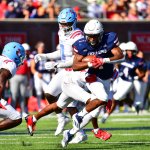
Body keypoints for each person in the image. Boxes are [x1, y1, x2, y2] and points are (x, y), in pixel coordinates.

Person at [26, 8, 88, 143]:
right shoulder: (61, 32)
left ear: (74, 22)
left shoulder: (78, 36)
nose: (63, 26)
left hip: (75, 72)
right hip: (64, 70)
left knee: (71, 104)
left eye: (66, 24)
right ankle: (61, 118)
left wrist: (57, 65)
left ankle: (80, 133)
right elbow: (61, 53)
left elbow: (77, 59)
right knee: (48, 93)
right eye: (62, 23)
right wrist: (45, 56)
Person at [61, 19, 124, 147]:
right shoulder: (81, 44)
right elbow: (75, 65)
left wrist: (103, 60)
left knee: (94, 113)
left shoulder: (109, 38)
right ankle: (80, 115)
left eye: (95, 36)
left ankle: (70, 133)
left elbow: (120, 56)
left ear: (101, 34)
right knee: (103, 98)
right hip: (92, 76)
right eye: (89, 36)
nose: (92, 39)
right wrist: (90, 63)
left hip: (106, 78)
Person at [101, 41, 147, 123]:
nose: (129, 52)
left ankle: (106, 115)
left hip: (128, 82)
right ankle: (134, 105)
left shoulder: (138, 61)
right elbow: (116, 64)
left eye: (131, 51)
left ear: (134, 51)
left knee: (115, 98)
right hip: (120, 79)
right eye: (128, 50)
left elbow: (142, 73)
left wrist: (136, 76)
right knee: (113, 95)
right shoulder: (123, 57)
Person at [0, 41, 26, 131]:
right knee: (16, 118)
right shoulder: (10, 63)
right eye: (19, 54)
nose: (21, 57)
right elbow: (2, 75)